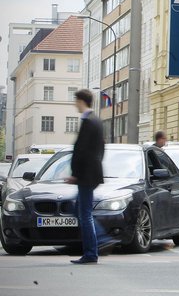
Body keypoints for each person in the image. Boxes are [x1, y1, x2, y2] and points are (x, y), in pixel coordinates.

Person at [66, 89, 105, 265]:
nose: (75, 104)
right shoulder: (96, 121)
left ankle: (93, 251)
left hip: (86, 175)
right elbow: (100, 149)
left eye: (75, 101)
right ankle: (99, 242)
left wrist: (76, 174)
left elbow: (81, 151)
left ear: (81, 101)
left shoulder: (88, 122)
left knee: (85, 213)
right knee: (79, 209)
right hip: (92, 173)